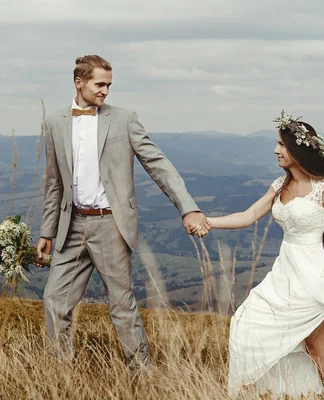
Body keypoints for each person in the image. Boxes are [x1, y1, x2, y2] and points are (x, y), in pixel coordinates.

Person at [35, 54, 210, 370]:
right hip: (70, 225)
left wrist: (188, 208)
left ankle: (141, 373)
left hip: (111, 225)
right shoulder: (54, 123)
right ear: (79, 82)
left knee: (121, 305)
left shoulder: (125, 119)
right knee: (54, 301)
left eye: (108, 85)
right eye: (99, 84)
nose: (105, 91)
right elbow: (54, 182)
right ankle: (60, 371)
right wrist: (47, 231)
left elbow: (159, 165)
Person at [205, 111, 324, 397]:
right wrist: (207, 221)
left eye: (282, 144)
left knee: (317, 350)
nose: (276, 150)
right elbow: (249, 214)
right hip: (282, 275)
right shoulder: (279, 185)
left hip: (313, 280)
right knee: (245, 324)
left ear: (299, 149)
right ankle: (250, 391)